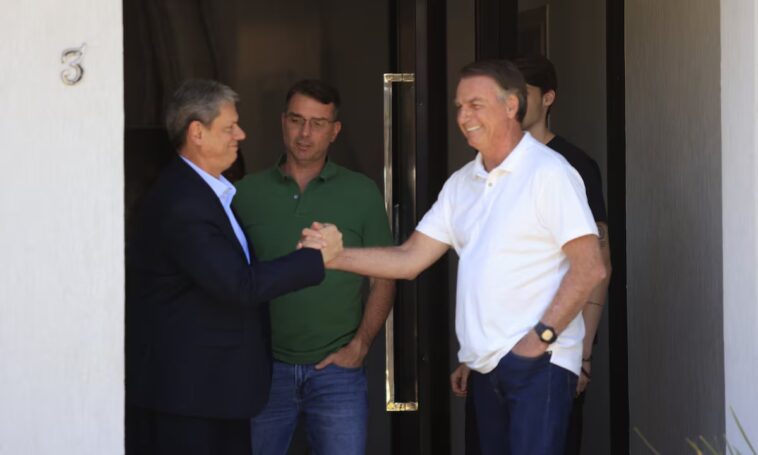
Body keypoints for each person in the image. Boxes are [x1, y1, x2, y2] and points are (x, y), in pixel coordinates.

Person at [305, 59, 607, 454]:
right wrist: (335, 256)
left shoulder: (549, 172)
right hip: (486, 367)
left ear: (511, 106)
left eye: (476, 105)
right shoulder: (462, 183)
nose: (464, 117)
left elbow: (590, 267)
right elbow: (410, 258)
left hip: (539, 366)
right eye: (459, 106)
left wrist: (539, 341)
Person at [125, 79, 343, 455]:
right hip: (189, 400)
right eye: (230, 127)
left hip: (211, 393)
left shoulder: (206, 193)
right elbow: (239, 284)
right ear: (197, 133)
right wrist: (314, 257)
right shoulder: (183, 202)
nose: (241, 135)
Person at [449, 55, 614, 454]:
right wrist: (474, 353)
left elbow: (597, 264)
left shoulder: (570, 166)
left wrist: (583, 354)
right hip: (493, 359)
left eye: (522, 93)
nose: (514, 103)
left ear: (548, 98)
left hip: (549, 357)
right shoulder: (486, 168)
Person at [233, 80, 396, 455]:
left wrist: (360, 346)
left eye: (318, 123)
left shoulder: (361, 192)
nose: (305, 133)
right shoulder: (245, 194)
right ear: (283, 122)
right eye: (296, 120)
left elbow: (384, 277)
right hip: (264, 369)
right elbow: (231, 280)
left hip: (337, 371)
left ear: (334, 130)